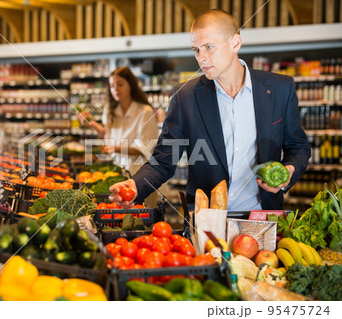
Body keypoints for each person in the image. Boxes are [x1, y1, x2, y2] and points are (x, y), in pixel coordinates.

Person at [109, 9, 311, 211]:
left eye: (208, 47)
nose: (201, 58)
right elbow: (164, 159)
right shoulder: (185, 96)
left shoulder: (279, 88)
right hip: (206, 218)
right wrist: (135, 185)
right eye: (196, 50)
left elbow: (298, 145)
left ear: (235, 43)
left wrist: (288, 171)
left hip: (263, 214)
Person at [77, 66, 159, 188]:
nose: (115, 89)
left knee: (141, 207)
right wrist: (92, 124)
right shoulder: (110, 110)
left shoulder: (145, 112)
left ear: (131, 85)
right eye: (112, 86)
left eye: (120, 84)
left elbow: (144, 148)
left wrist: (115, 149)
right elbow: (109, 135)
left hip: (142, 176)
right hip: (120, 173)